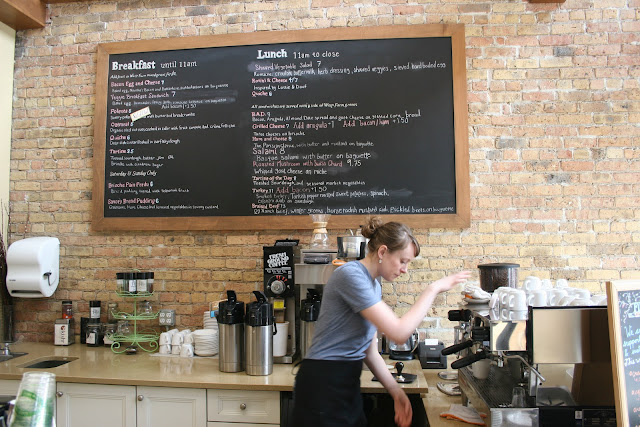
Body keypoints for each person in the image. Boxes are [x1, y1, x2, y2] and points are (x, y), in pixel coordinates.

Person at [292, 217, 471, 427]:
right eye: (403, 261)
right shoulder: (350, 275)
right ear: (383, 252)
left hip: (344, 381)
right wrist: (433, 289)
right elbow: (399, 332)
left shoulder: (374, 285)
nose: (405, 269)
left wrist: (396, 392)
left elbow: (369, 350)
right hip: (323, 382)